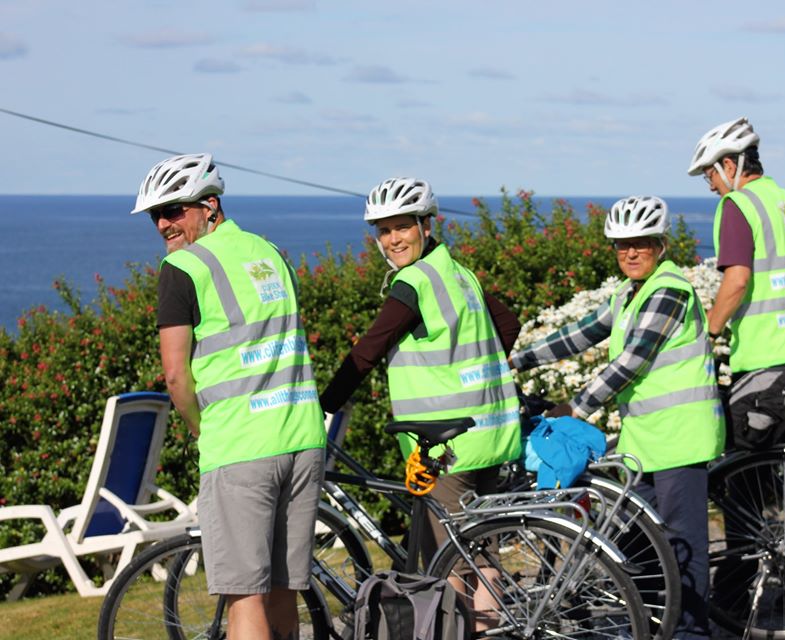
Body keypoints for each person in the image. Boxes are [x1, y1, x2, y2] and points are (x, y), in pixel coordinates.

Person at [510, 196, 725, 640]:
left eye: (641, 243)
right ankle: (651, 624)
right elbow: (581, 333)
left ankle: (690, 633)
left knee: (684, 548)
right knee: (635, 542)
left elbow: (632, 361)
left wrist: (575, 406)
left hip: (681, 438)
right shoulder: (629, 294)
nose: (630, 252)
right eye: (621, 244)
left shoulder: (669, 291)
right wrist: (515, 361)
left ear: (661, 244)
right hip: (645, 439)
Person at [131, 153, 326, 640]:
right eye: (156, 215)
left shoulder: (183, 268)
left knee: (244, 598)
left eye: (174, 210)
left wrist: (202, 428)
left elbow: (176, 376)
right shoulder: (272, 252)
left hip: (240, 448)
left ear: (209, 205)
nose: (162, 224)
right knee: (283, 591)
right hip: (302, 439)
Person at [318, 177, 521, 624]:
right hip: (489, 433)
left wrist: (324, 405)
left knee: (448, 565)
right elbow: (507, 324)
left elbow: (367, 350)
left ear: (426, 226)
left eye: (402, 227)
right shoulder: (459, 274)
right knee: (479, 555)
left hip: (449, 447)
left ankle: (469, 633)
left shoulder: (414, 282)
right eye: (384, 230)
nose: (392, 239)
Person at [687, 116, 785, 421]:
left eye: (709, 176)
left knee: (746, 464)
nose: (712, 187)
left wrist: (710, 330)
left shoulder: (738, 205)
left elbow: (738, 280)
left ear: (728, 166)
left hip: (768, 364)